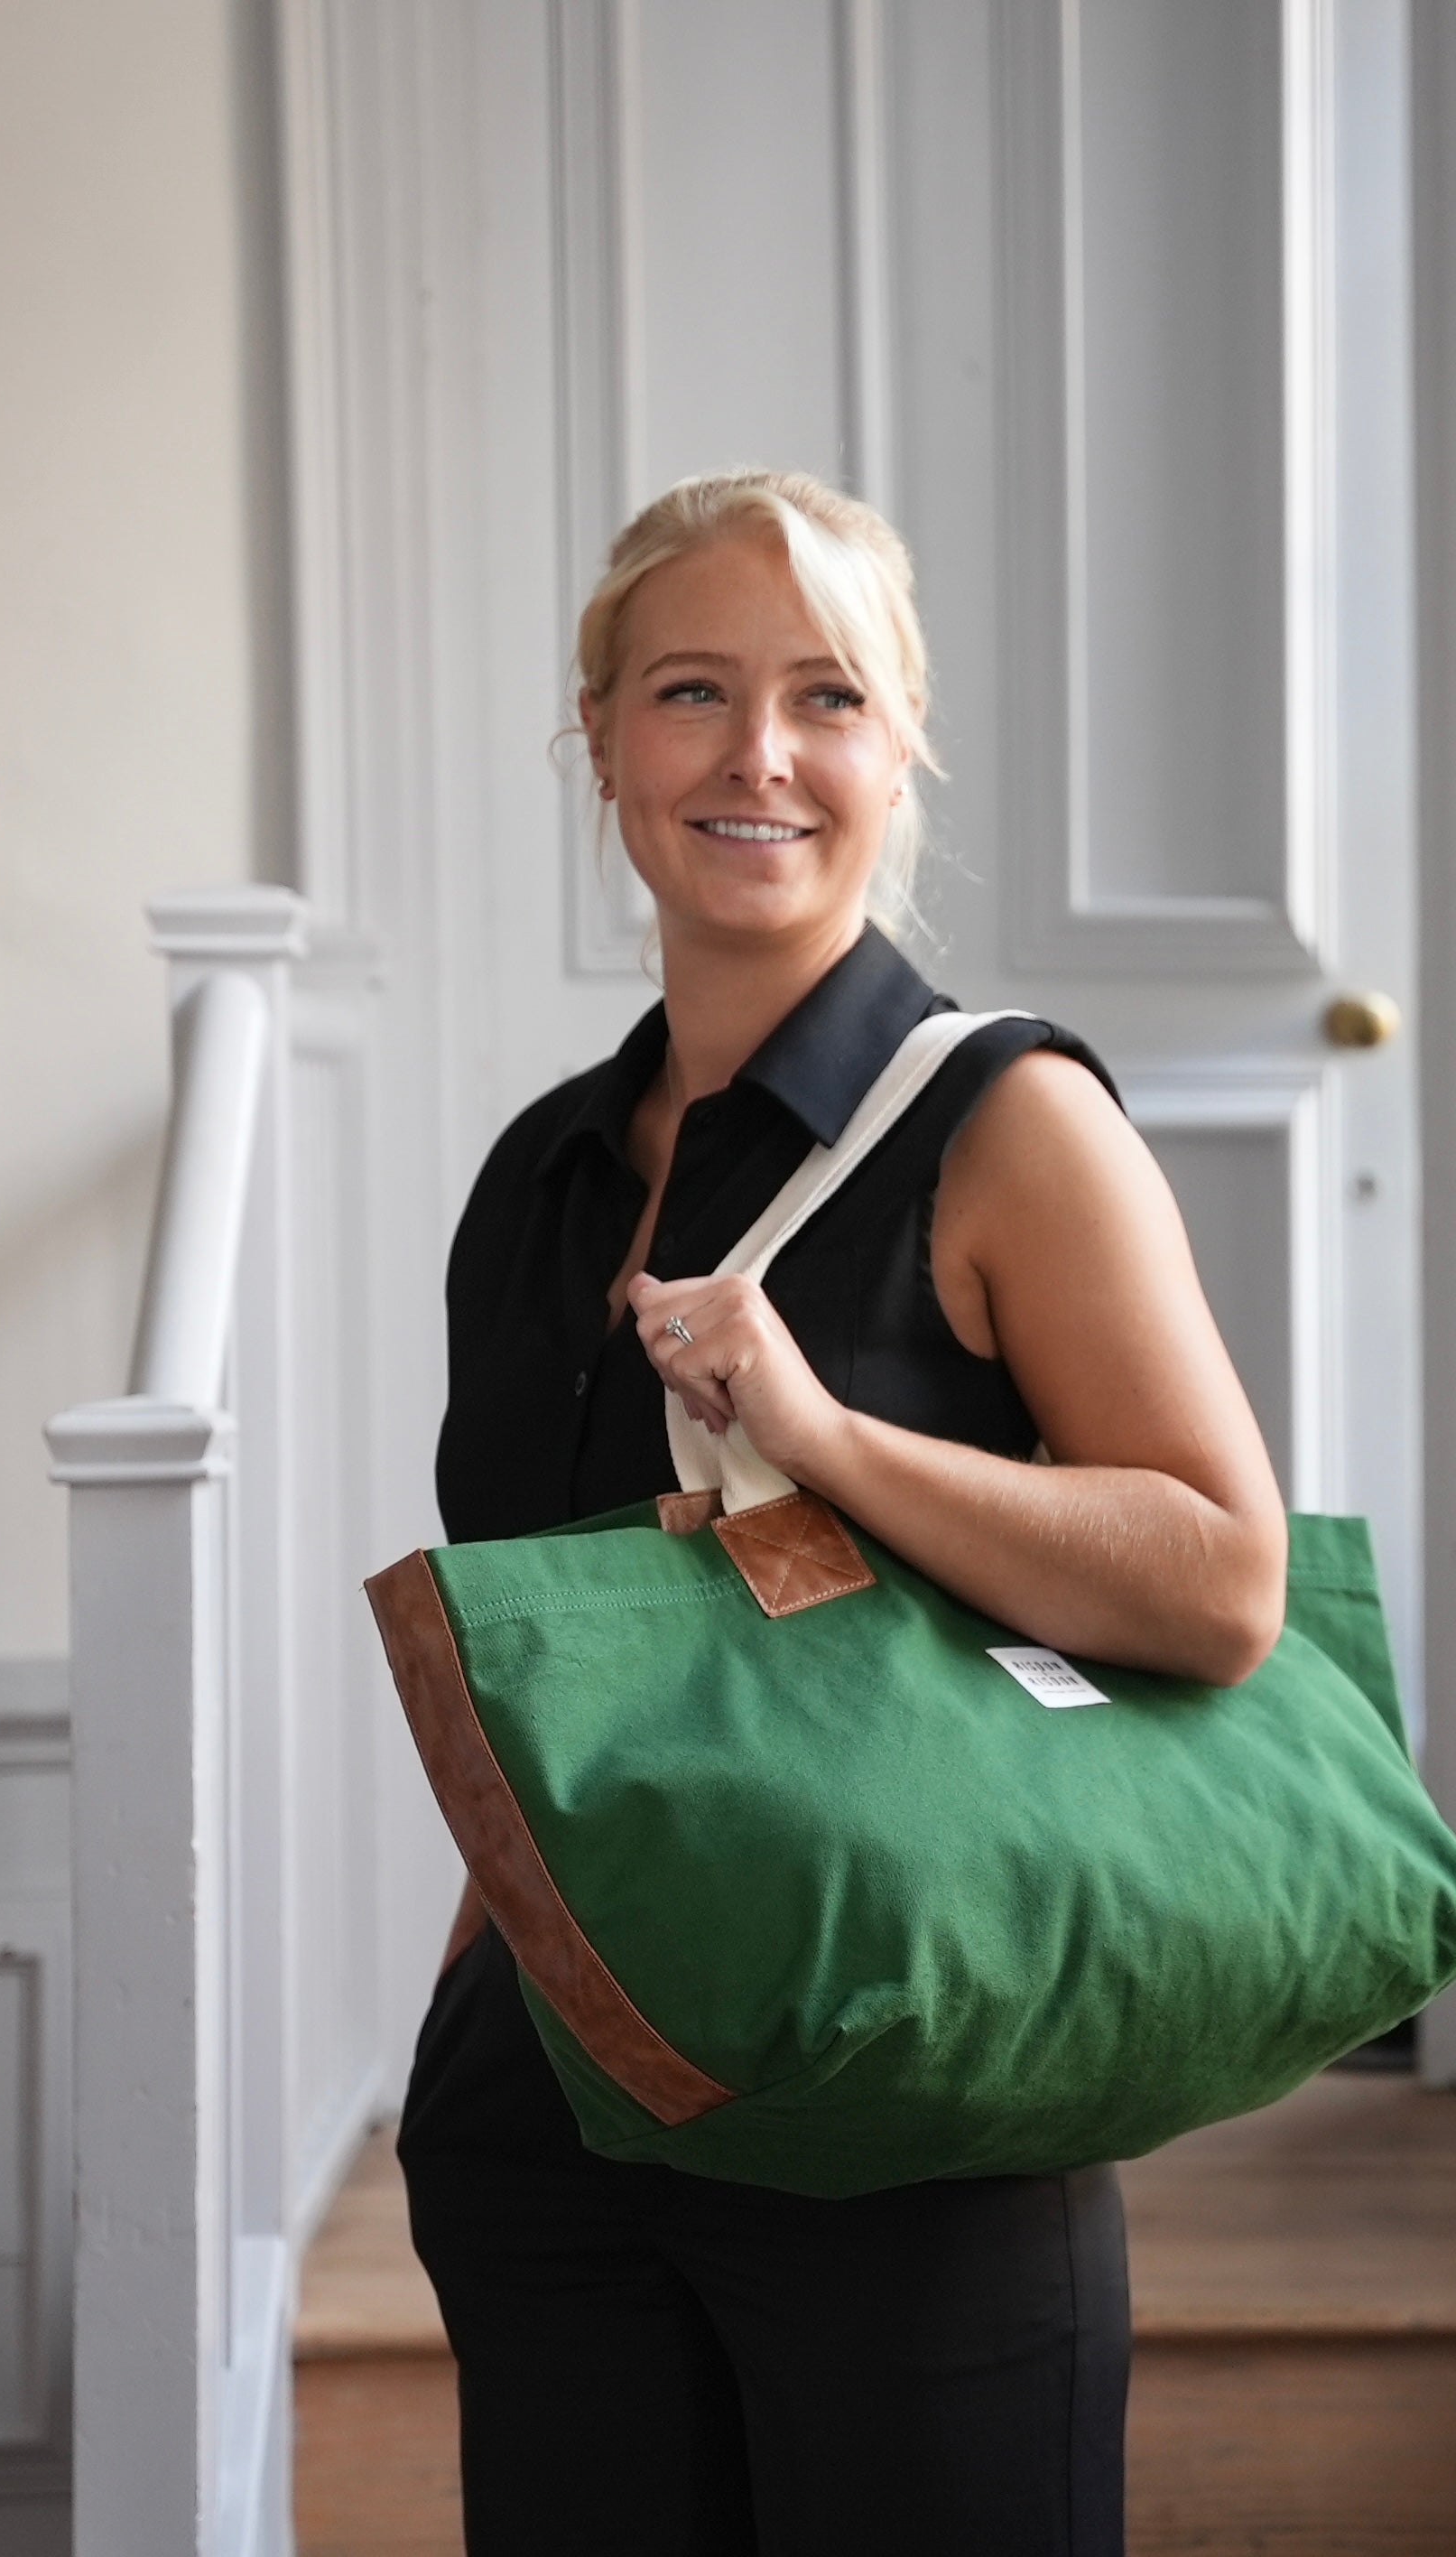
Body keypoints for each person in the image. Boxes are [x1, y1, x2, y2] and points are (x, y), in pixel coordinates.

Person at [396, 469, 1286, 2554]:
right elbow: (539, 1662)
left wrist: (826, 1431)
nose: (758, 757)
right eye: (692, 692)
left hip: (906, 2122)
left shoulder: (1010, 1126)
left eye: (825, 697)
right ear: (600, 741)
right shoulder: (540, 1178)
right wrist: (471, 2024)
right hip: (556, 2095)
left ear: (902, 751)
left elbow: (1223, 1581)